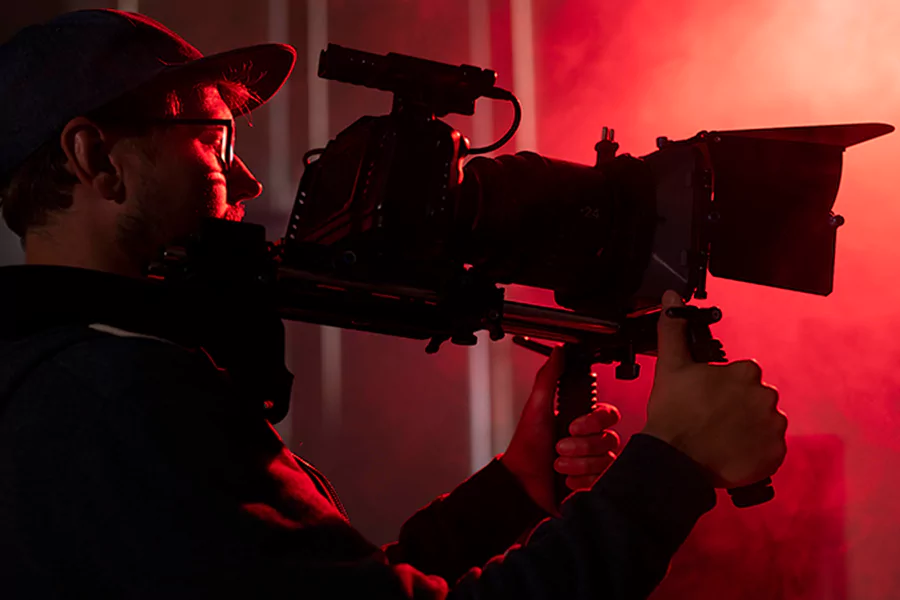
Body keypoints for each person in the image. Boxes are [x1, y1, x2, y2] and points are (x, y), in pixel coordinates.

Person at [0, 9, 788, 599]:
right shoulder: (115, 400)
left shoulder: (60, 384)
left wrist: (512, 491)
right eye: (214, 140)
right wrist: (672, 466)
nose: (246, 180)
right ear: (96, 157)